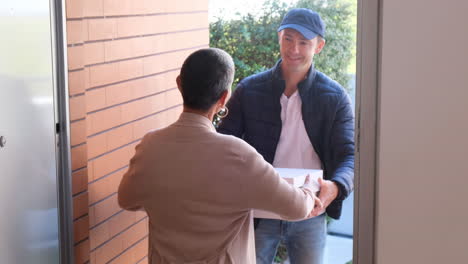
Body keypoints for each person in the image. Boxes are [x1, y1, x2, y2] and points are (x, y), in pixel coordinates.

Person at [117, 48, 322, 264]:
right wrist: (309, 190)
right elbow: (297, 207)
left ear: (179, 84)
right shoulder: (239, 155)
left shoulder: (151, 146)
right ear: (224, 97)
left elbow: (127, 200)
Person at [217, 8, 355, 264]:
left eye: (304, 42)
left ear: (319, 46)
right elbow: (223, 142)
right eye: (288, 38)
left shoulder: (334, 97)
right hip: (260, 206)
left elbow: (349, 154)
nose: (294, 49)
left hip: (310, 207)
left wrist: (336, 187)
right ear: (279, 37)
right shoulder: (249, 89)